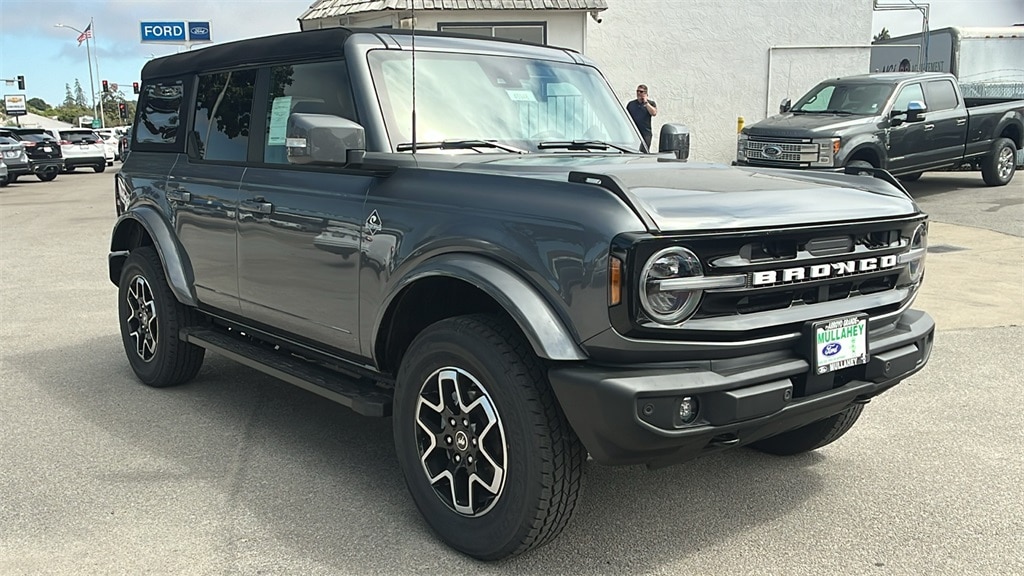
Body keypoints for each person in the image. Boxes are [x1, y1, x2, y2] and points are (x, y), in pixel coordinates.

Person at [626, 84, 658, 149]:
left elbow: (654, 113)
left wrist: (646, 103)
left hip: (645, 134)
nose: (638, 93)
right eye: (637, 91)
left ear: (646, 93)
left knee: (644, 152)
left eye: (641, 92)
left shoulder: (651, 103)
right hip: (633, 133)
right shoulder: (631, 104)